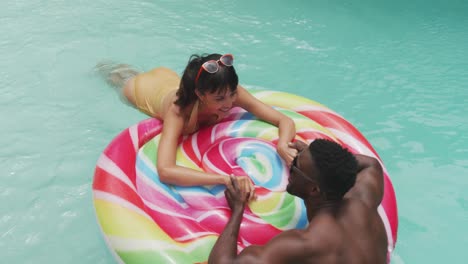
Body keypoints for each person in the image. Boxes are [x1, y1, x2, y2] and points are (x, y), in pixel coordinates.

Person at [96, 53, 297, 198]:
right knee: (112, 73)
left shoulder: (227, 90)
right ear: (200, 95)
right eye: (220, 99)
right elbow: (165, 170)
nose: (229, 103)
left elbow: (283, 120)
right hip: (139, 91)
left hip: (167, 77)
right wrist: (225, 179)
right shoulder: (179, 111)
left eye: (232, 94)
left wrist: (282, 145)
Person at [208, 139, 388, 264]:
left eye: (297, 166)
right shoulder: (364, 199)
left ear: (314, 189)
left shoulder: (308, 243)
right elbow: (371, 164)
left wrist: (238, 208)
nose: (290, 167)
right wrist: (319, 163)